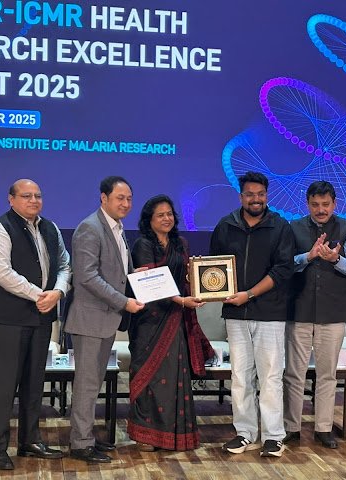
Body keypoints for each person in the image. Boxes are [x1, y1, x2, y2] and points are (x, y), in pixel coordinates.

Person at [0, 179, 71, 470]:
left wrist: (58, 292)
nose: (33, 200)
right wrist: (39, 295)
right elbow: (1, 272)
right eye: (26, 196)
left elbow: (65, 265)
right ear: (11, 199)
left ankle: (30, 441)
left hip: (42, 316)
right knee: (5, 386)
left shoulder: (50, 228)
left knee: (34, 384)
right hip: (9, 319)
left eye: (38, 196)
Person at [210, 171, 295, 458]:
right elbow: (213, 267)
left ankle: (273, 436)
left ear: (266, 196)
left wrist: (250, 294)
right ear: (241, 196)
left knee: (270, 377)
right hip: (235, 314)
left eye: (260, 194)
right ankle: (244, 433)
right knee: (240, 377)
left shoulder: (280, 226)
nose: (255, 199)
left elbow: (282, 270)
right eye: (250, 194)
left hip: (270, 313)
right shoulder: (225, 226)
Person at [65, 176, 145, 463]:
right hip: (90, 320)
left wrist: (138, 275)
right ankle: (80, 444)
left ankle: (86, 436)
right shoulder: (90, 228)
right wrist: (124, 302)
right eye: (120, 198)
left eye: (129, 199)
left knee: (93, 383)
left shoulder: (117, 228)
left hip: (106, 320)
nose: (126, 204)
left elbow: (117, 272)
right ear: (103, 198)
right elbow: (87, 276)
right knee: (86, 384)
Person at [127, 194, 215, 451]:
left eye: (169, 214)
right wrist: (181, 300)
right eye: (160, 215)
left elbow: (186, 278)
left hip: (176, 318)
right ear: (149, 220)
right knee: (150, 377)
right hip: (149, 319)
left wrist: (199, 284)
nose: (166, 218)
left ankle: (174, 435)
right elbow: (150, 282)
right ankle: (146, 436)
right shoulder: (143, 244)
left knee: (174, 377)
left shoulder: (180, 243)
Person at [283, 181, 346, 449]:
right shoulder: (293, 227)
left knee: (327, 374)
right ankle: (291, 427)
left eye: (325, 204)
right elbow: (286, 265)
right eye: (315, 205)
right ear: (307, 204)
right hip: (299, 309)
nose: (320, 209)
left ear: (334, 204)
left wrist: (334, 260)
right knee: (294, 374)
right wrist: (308, 256)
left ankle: (324, 428)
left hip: (334, 311)